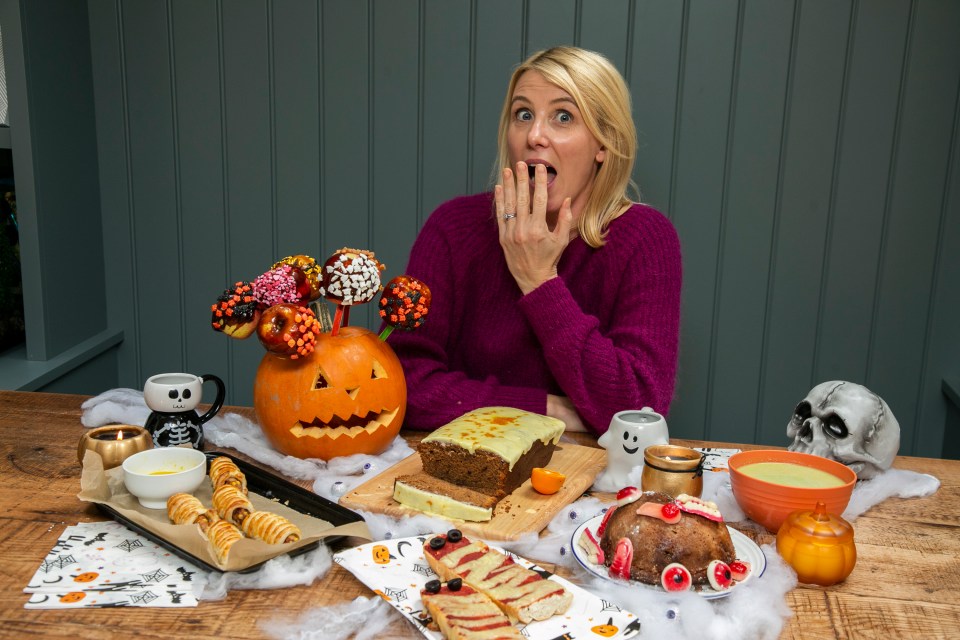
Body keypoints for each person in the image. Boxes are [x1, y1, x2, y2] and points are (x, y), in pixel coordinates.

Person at [387, 46, 682, 435]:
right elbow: (399, 385)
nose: (535, 135)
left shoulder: (645, 239)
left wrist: (539, 280)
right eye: (523, 114)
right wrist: (543, 409)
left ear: (603, 144)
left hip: (587, 483)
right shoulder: (452, 228)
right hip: (463, 474)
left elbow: (638, 410)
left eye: (563, 117)